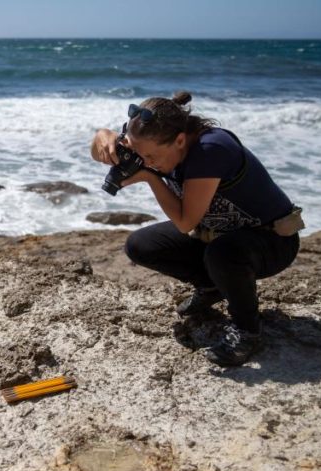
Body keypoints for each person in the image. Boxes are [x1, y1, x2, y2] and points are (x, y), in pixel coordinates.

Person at [90, 91, 303, 366]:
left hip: (272, 242)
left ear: (180, 140)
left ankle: (247, 330)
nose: (146, 162)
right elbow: (100, 152)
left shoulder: (210, 150)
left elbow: (185, 222)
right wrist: (102, 136)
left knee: (223, 253)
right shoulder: (151, 142)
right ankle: (211, 285)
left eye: (151, 157)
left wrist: (150, 179)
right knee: (140, 245)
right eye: (141, 156)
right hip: (217, 234)